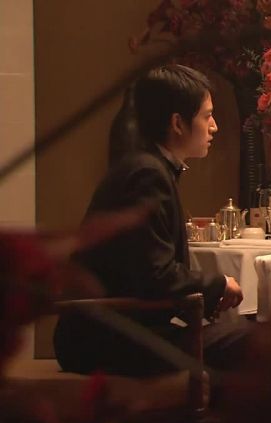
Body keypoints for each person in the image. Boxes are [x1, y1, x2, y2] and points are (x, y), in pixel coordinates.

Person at [54, 64, 247, 376]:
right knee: (252, 341)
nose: (214, 127)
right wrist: (219, 284)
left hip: (115, 328)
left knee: (243, 333)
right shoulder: (147, 175)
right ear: (177, 123)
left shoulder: (147, 166)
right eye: (207, 116)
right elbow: (156, 277)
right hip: (104, 339)